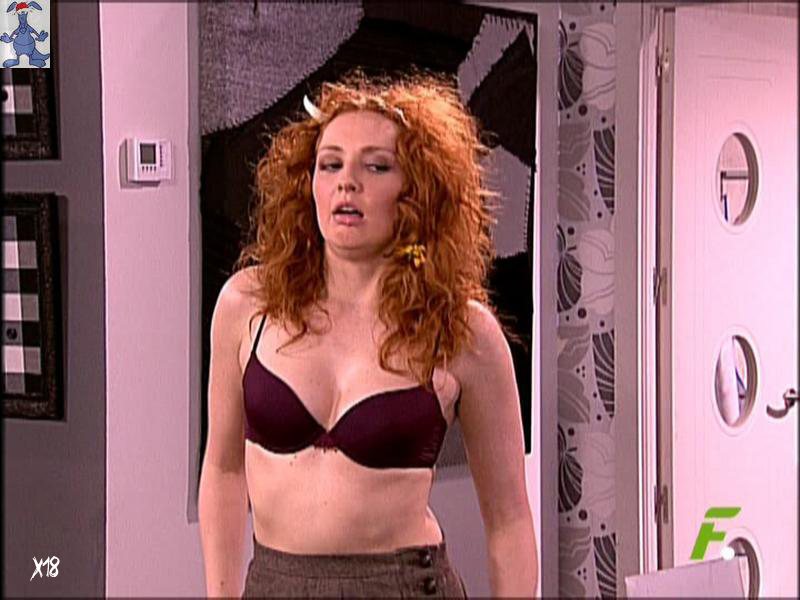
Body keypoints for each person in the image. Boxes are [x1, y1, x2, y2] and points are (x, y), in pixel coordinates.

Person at [198, 72, 538, 598]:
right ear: (307, 182)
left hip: (403, 585)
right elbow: (222, 470)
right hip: (275, 583)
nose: (347, 183)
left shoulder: (462, 331)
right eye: (330, 164)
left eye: (376, 166)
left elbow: (509, 520)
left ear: (415, 191)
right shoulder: (247, 305)